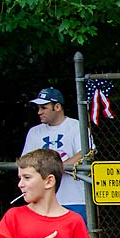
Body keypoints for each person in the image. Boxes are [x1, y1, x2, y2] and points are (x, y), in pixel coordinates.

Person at [23, 88, 89, 221]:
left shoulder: (76, 126)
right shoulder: (34, 132)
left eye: (44, 108)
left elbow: (85, 152)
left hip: (74, 198)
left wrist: (55, 168)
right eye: (38, 108)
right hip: (42, 199)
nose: (39, 112)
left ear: (57, 107)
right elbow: (26, 162)